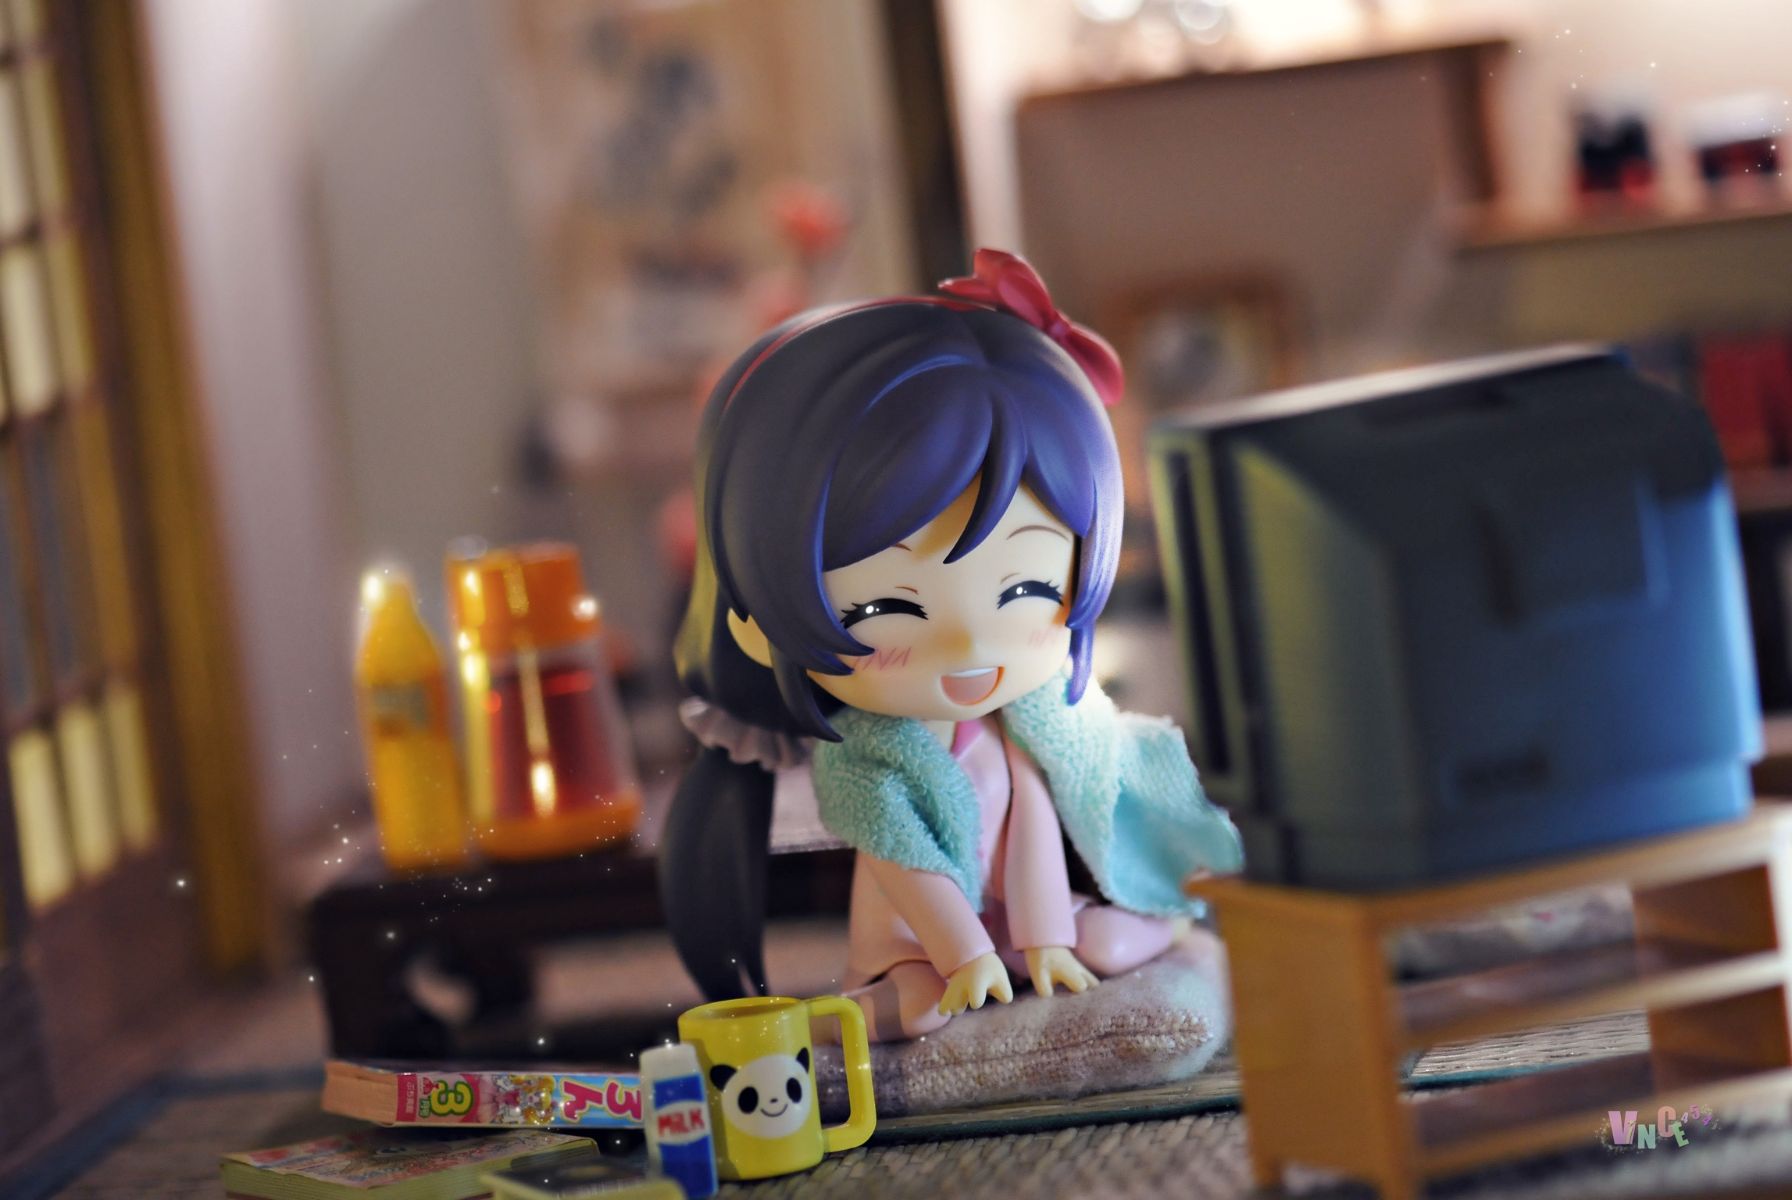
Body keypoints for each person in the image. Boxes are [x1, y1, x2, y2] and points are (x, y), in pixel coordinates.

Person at [661, 249, 1241, 1041]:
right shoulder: (863, 764)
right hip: (915, 938)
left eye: (1026, 590)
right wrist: (964, 953)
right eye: (886, 606)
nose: (968, 642)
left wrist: (1044, 937)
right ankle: (832, 1022)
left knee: (1101, 941)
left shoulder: (1021, 726)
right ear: (758, 623)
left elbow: (1032, 828)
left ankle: (1164, 925)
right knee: (926, 1001)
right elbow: (905, 863)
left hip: (1007, 924)